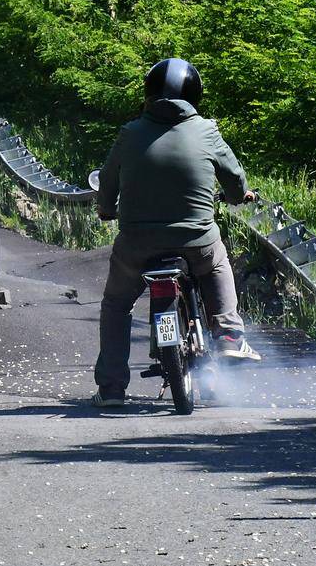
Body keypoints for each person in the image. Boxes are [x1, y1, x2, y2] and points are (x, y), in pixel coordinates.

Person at [91, 58, 258, 407]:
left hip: (137, 244)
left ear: (148, 94)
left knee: (117, 305)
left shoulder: (130, 133)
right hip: (196, 240)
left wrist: (106, 209)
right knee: (216, 265)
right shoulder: (206, 130)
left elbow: (107, 180)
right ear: (195, 94)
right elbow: (234, 178)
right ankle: (228, 334)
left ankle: (111, 389)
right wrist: (236, 196)